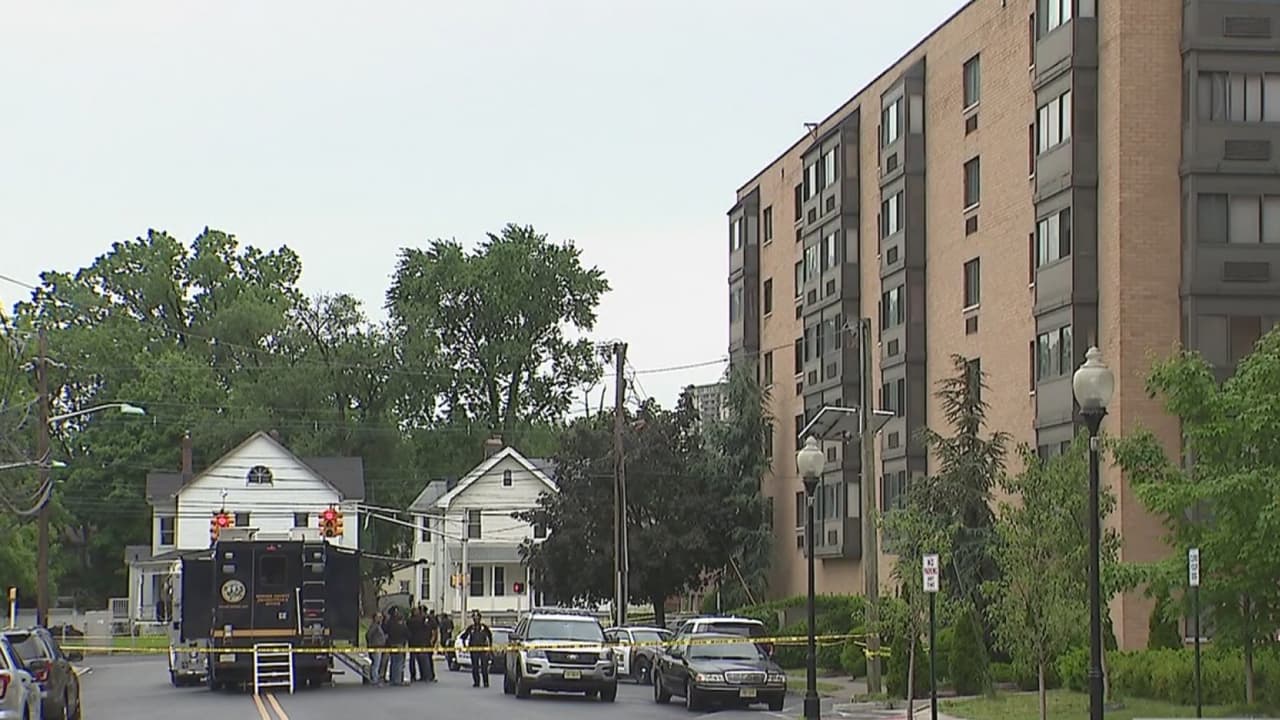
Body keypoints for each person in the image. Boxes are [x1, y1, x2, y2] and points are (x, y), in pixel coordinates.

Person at [459, 610, 494, 688]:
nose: (476, 619)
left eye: (477, 617)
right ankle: (476, 682)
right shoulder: (471, 628)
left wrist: (489, 647)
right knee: (475, 667)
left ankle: (485, 682)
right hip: (474, 650)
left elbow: (490, 637)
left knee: (484, 666)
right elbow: (463, 637)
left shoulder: (484, 628)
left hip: (483, 650)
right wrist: (465, 646)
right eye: (474, 618)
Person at [385, 607, 410, 686]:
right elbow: (406, 633)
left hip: (392, 643)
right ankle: (398, 679)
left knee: (393, 662)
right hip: (400, 643)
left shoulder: (389, 623)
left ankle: (393, 678)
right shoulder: (400, 624)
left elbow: (386, 631)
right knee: (399, 662)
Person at [407, 606, 430, 682]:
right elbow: (427, 628)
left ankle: (413, 676)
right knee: (423, 660)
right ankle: (425, 676)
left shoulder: (409, 620)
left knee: (412, 660)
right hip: (421, 642)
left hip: (412, 642)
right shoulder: (422, 620)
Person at [366, 612, 387, 687]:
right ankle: (374, 679)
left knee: (376, 663)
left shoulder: (378, 625)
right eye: (379, 617)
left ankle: (375, 678)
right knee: (376, 664)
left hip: (379, 646)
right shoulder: (374, 626)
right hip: (376, 647)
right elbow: (368, 634)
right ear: (375, 618)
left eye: (381, 617)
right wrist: (372, 643)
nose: (380, 618)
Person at [423, 608, 439, 682]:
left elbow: (434, 631)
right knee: (427, 659)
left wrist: (432, 641)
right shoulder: (425, 620)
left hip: (428, 643)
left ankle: (430, 675)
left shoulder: (430, 620)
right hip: (426, 641)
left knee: (428, 659)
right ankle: (428, 675)